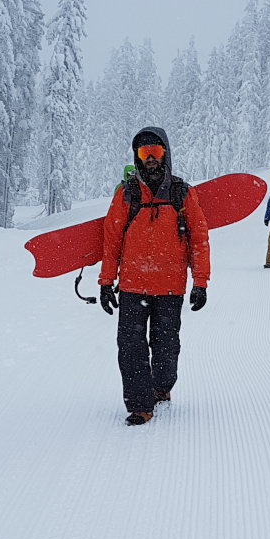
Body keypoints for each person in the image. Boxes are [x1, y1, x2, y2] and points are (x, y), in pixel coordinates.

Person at [98, 127, 210, 425]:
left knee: (166, 346)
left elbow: (199, 239)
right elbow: (111, 240)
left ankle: (161, 388)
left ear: (166, 154)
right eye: (143, 152)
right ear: (136, 156)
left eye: (155, 152)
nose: (149, 158)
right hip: (133, 287)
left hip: (171, 287)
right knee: (130, 347)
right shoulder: (127, 193)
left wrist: (201, 282)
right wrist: (106, 282)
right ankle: (139, 404)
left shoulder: (182, 192)